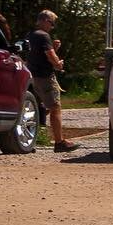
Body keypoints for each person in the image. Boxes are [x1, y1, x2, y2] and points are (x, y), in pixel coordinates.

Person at [27, 9, 77, 154]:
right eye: (52, 23)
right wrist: (58, 64)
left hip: (32, 76)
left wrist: (54, 48)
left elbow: (40, 53)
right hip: (45, 77)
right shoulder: (43, 36)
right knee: (55, 108)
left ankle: (29, 140)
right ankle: (59, 142)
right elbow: (49, 56)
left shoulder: (31, 35)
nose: (52, 27)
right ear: (45, 21)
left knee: (35, 109)